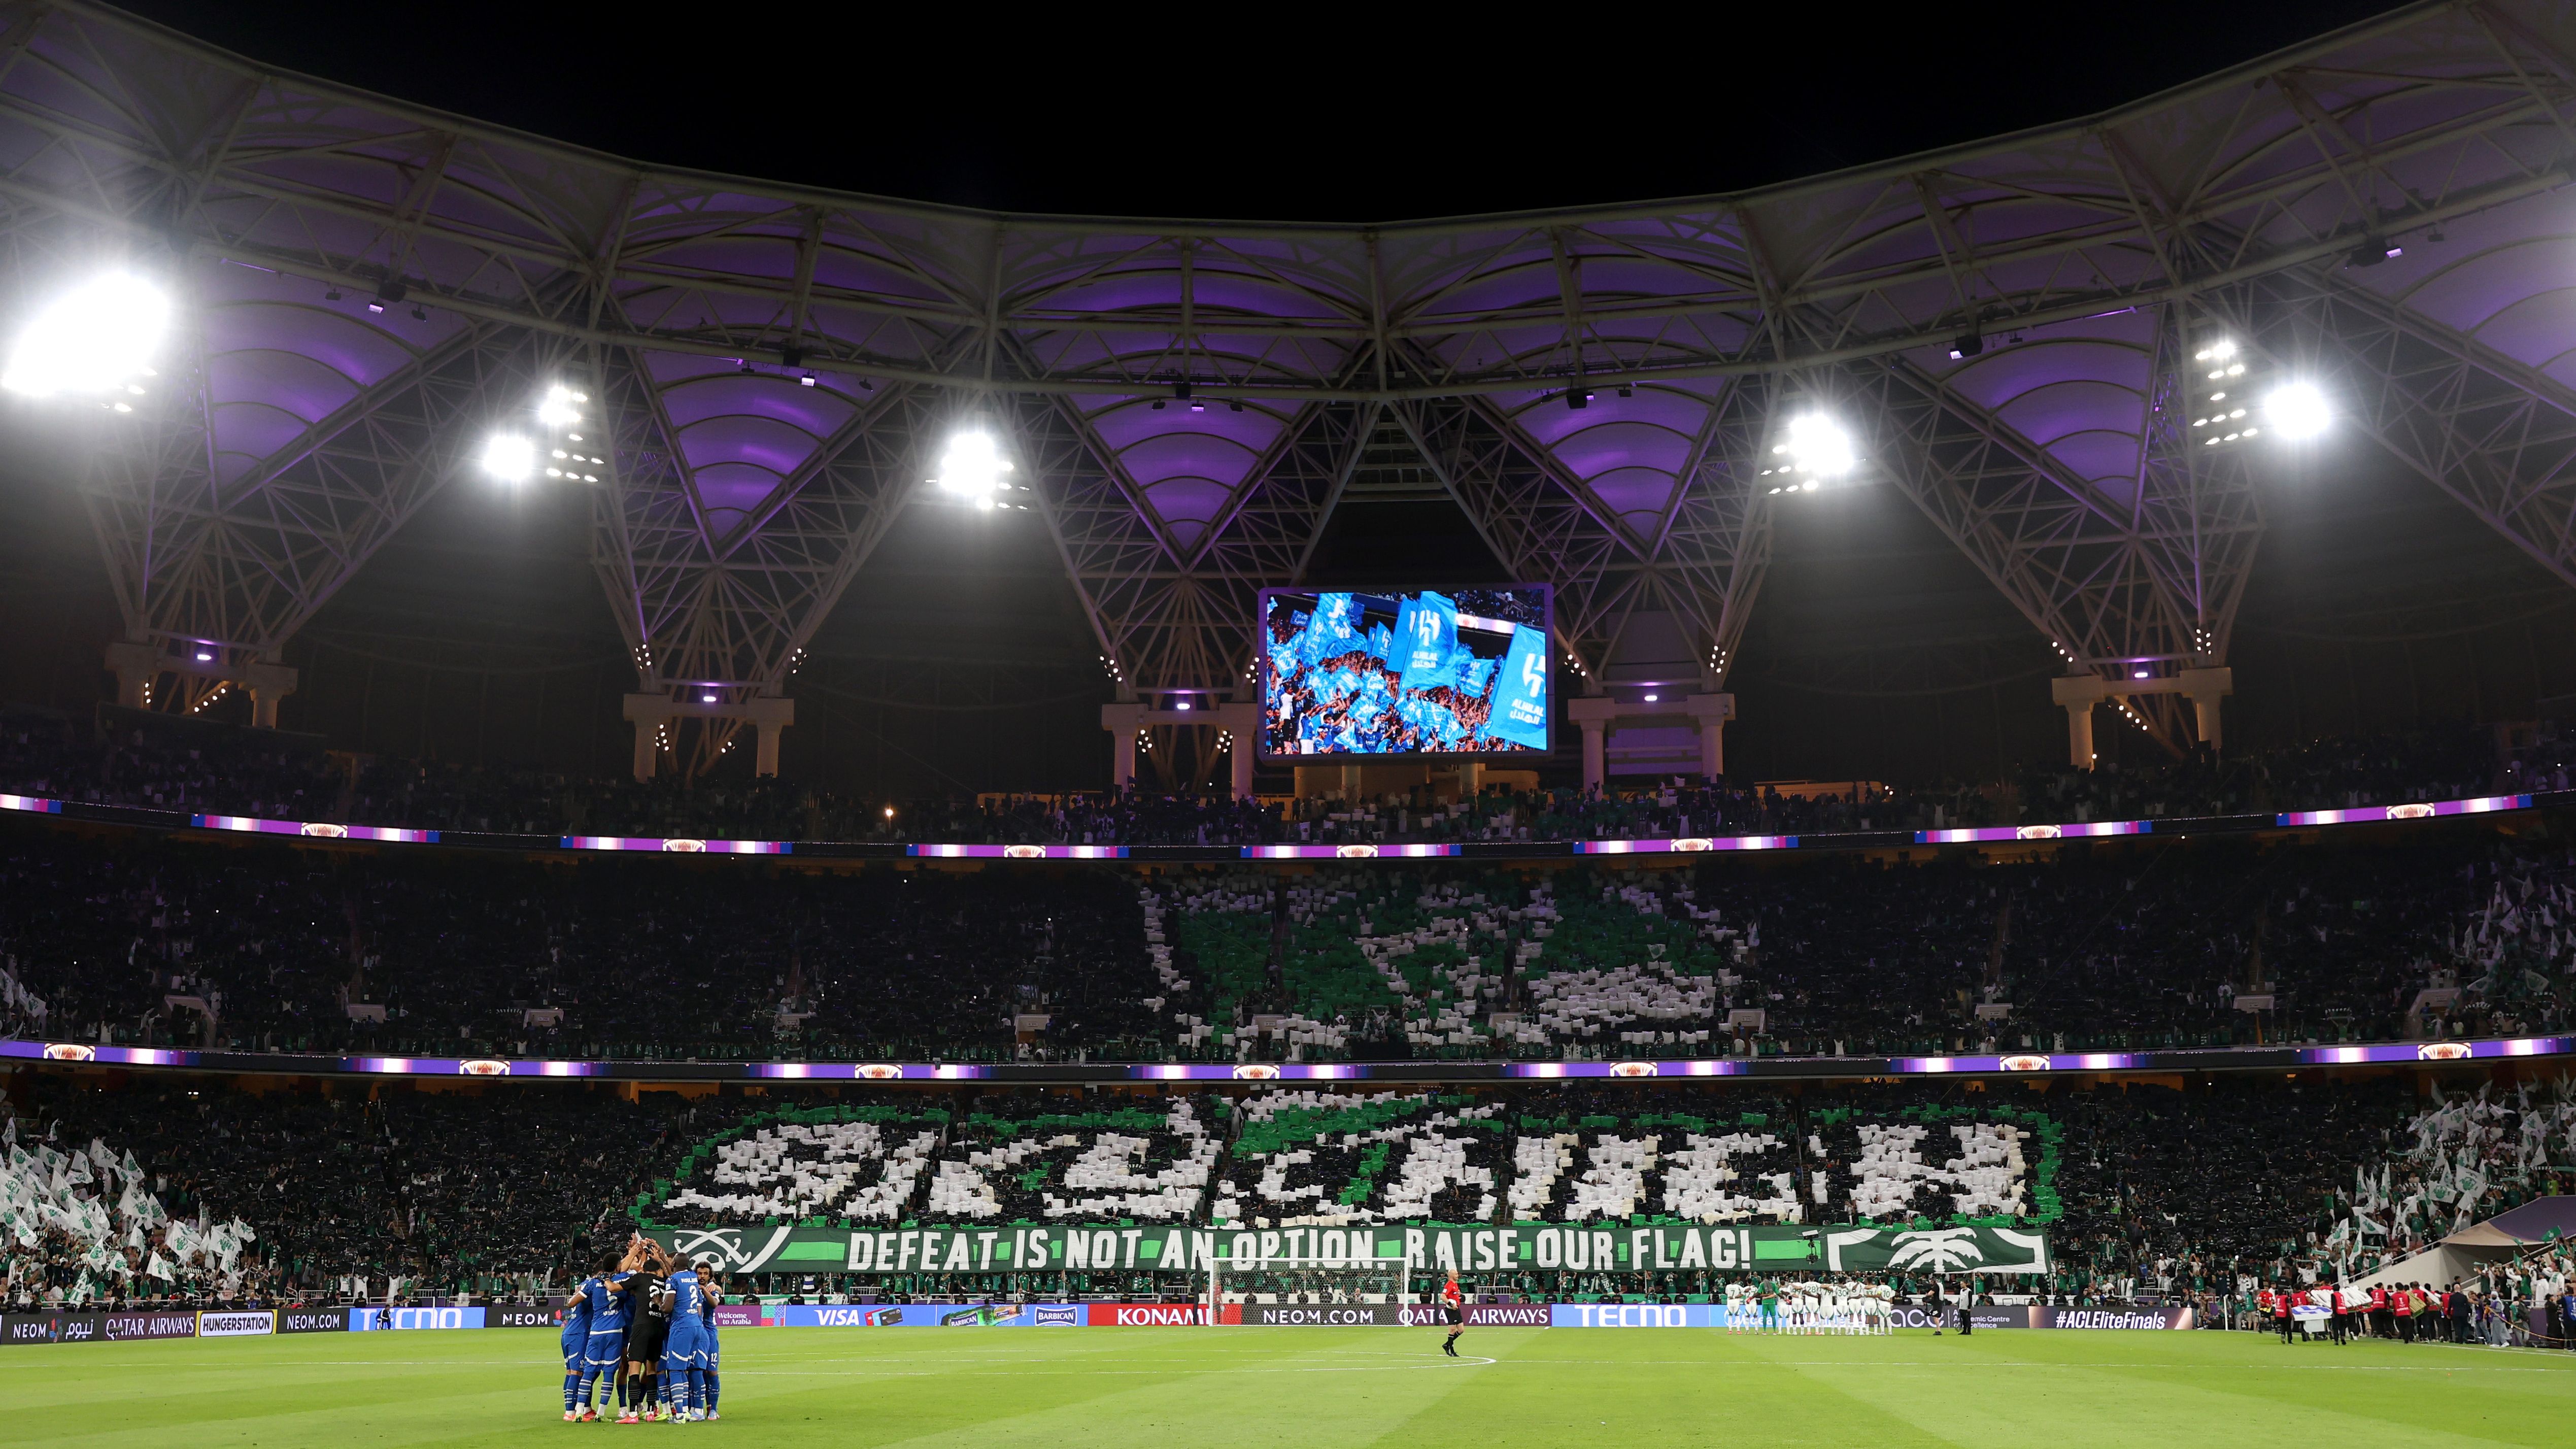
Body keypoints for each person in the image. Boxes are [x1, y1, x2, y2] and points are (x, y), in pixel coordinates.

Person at [577, 1249, 632, 1421]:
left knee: (588, 1372)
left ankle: (579, 1412)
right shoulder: (622, 1281)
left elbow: (574, 1300)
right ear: (617, 1266)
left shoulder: (593, 1283)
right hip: (615, 1333)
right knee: (609, 1373)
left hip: (596, 1331)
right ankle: (601, 1414)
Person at [661, 1256, 711, 1420]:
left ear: (674, 1263)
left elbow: (667, 1307)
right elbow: (699, 1308)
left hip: (682, 1328)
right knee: (684, 1369)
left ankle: (680, 1415)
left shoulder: (673, 1280)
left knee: (676, 1370)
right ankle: (687, 1411)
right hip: (697, 1326)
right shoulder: (693, 1278)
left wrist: (659, 1303)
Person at [559, 1265, 595, 1421]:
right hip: (578, 1334)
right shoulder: (592, 1287)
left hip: (569, 1332)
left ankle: (582, 1408)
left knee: (571, 1373)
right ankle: (570, 1412)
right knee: (577, 1373)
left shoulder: (583, 1286)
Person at [1439, 1271, 1465, 1357]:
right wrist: (1451, 1304)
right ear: (1451, 1275)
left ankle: (1447, 1345)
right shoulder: (1449, 1285)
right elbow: (1443, 1296)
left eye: (1457, 1274)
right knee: (1452, 1330)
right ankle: (1452, 1351)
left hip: (1457, 1309)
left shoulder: (1455, 1284)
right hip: (1451, 1310)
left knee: (1461, 1330)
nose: (1457, 1275)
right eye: (1455, 1274)